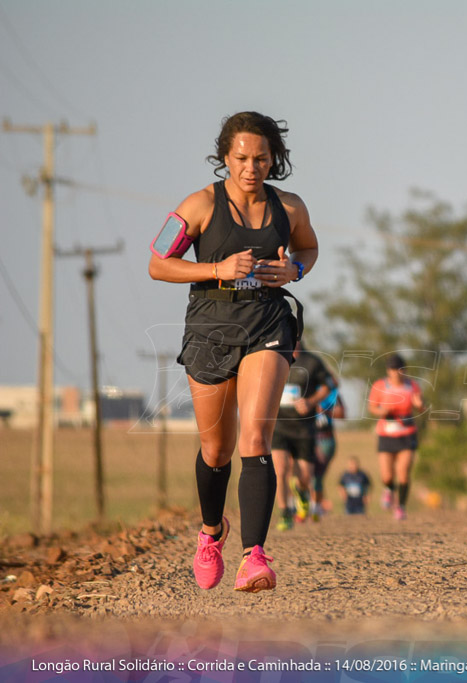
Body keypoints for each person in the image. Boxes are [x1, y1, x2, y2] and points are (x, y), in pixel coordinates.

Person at [148, 111, 318, 593]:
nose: (251, 167)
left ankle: (254, 556)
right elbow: (159, 265)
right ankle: (211, 532)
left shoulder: (290, 207)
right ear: (225, 157)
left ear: (273, 159)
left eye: (261, 158)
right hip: (210, 327)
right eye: (241, 158)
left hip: (267, 322)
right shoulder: (200, 204)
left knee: (255, 442)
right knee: (216, 450)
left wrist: (294, 273)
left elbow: (308, 249)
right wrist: (216, 268)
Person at [271, 341, 331, 530]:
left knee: (304, 477)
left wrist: (311, 402)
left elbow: (327, 387)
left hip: (304, 428)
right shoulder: (274, 357)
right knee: (280, 470)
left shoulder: (312, 361)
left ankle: (302, 492)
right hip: (279, 425)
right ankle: (285, 512)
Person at [367, 354, 424, 520]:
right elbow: (372, 408)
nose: (396, 373)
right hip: (386, 434)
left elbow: (420, 406)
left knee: (403, 472)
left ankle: (401, 507)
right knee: (387, 475)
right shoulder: (380, 386)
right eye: (392, 370)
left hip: (406, 434)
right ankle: (389, 489)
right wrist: (382, 411)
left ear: (404, 371)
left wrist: (420, 406)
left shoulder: (412, 386)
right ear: (388, 371)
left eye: (399, 370)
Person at [311, 373, 345, 521]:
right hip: (306, 438)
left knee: (317, 475)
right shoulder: (308, 390)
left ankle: (315, 507)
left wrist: (323, 411)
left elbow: (342, 413)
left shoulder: (333, 395)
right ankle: (303, 505)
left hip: (325, 439)